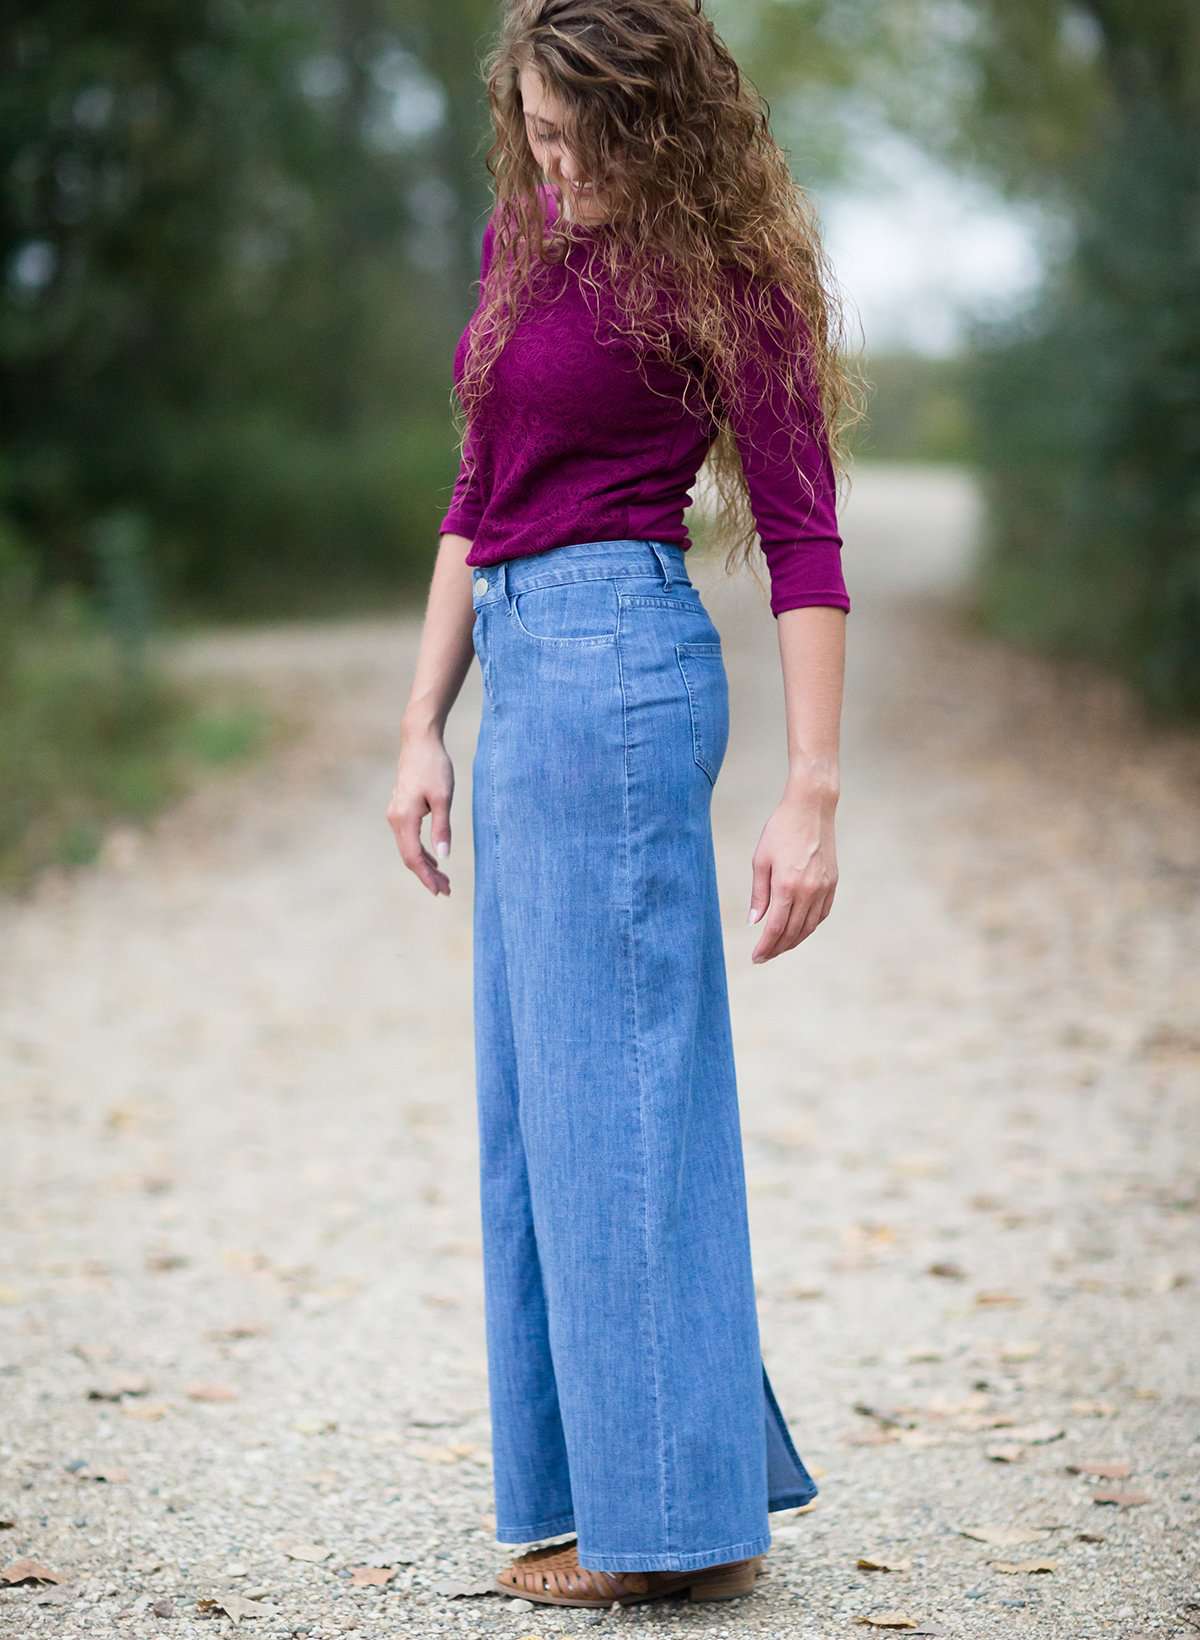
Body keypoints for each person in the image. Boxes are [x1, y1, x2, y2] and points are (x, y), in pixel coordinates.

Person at [387, 0, 862, 1611]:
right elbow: (476, 491)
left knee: (625, 1096)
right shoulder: (520, 244)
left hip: (621, 665)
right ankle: (604, 1492)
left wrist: (812, 788)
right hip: (521, 672)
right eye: (536, 134)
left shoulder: (730, 280)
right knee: (538, 1105)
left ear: (663, 126)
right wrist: (419, 723)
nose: (558, 167)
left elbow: (804, 539)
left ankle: (676, 1522)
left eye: (588, 140)